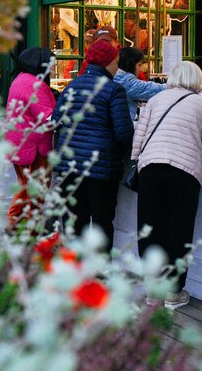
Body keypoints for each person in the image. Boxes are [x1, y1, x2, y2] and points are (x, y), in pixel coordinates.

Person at [130, 61, 202, 310]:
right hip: (184, 172)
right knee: (179, 230)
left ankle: (152, 291)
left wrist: (137, 159)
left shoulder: (155, 100)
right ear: (196, 80)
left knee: (149, 228)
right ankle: (173, 292)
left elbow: (140, 135)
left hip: (150, 168)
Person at [52, 40, 134, 253]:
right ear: (107, 63)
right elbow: (123, 133)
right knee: (101, 224)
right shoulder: (114, 90)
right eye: (116, 62)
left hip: (69, 166)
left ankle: (74, 270)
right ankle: (99, 275)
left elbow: (56, 119)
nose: (118, 67)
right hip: (101, 168)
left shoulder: (71, 86)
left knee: (74, 222)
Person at [5, 47, 56, 227]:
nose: (52, 66)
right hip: (33, 145)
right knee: (36, 190)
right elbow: (48, 117)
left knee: (25, 186)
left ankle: (14, 222)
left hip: (18, 142)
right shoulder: (34, 84)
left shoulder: (20, 79)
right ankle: (30, 230)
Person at [114, 47, 202, 121]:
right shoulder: (126, 82)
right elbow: (159, 89)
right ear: (130, 64)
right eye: (139, 65)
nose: (140, 70)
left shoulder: (118, 78)